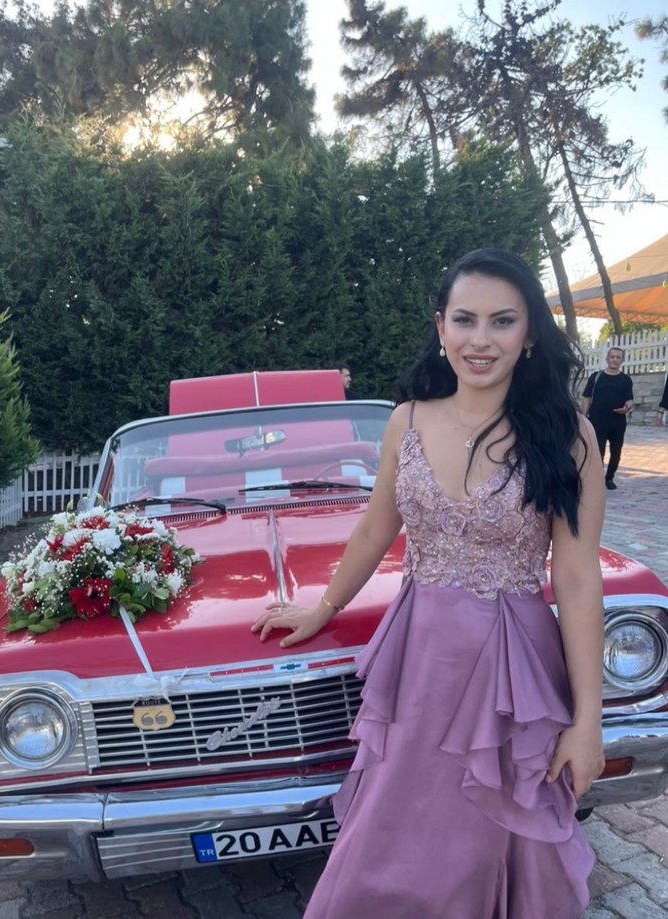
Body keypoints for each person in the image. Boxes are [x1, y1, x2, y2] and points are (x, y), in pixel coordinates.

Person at [253, 249, 605, 918]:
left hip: (511, 667)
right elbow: (373, 530)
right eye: (464, 319)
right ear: (441, 327)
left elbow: (579, 578)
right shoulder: (406, 421)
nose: (480, 339)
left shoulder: (569, 436)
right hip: (419, 657)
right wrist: (322, 606)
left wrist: (588, 721)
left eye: (502, 321)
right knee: (395, 827)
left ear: (529, 333)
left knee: (494, 832)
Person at [581, 347, 634, 489]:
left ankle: (609, 478)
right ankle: (597, 479)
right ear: (607, 359)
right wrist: (584, 417)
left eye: (618, 357)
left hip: (617, 422)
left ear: (622, 360)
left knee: (616, 452)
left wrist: (627, 407)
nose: (615, 360)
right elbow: (586, 397)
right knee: (598, 452)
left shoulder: (626, 380)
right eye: (612, 357)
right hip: (597, 421)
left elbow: (630, 399)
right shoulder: (596, 377)